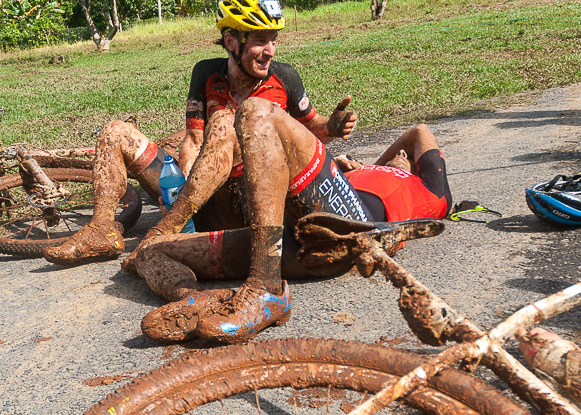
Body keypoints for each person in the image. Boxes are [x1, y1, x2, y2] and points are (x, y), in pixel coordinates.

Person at [44, 0, 357, 265]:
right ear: (232, 41)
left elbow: (310, 129)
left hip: (253, 201)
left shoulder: (285, 78)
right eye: (260, 41)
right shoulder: (206, 73)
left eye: (273, 41)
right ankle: (102, 230)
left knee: (224, 124)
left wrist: (331, 127)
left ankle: (169, 227)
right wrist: (183, 190)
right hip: (203, 196)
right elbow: (194, 139)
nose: (270, 51)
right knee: (116, 132)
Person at [136, 118, 451, 343]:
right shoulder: (361, 172)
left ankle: (266, 289)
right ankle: (204, 300)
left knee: (260, 113)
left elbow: (419, 132)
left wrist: (378, 166)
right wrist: (365, 166)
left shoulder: (431, 193)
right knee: (151, 253)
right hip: (280, 245)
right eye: (400, 155)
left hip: (349, 226)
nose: (402, 155)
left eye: (408, 158)